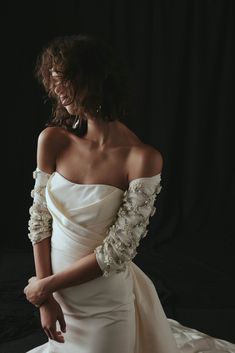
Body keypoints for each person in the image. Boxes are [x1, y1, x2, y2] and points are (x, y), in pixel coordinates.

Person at [23, 34, 235, 353]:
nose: (57, 89)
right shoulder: (52, 140)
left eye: (65, 78)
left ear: (94, 79)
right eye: (53, 80)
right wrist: (46, 299)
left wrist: (44, 286)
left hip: (104, 304)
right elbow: (39, 221)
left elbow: (117, 251)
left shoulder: (142, 158)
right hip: (58, 299)